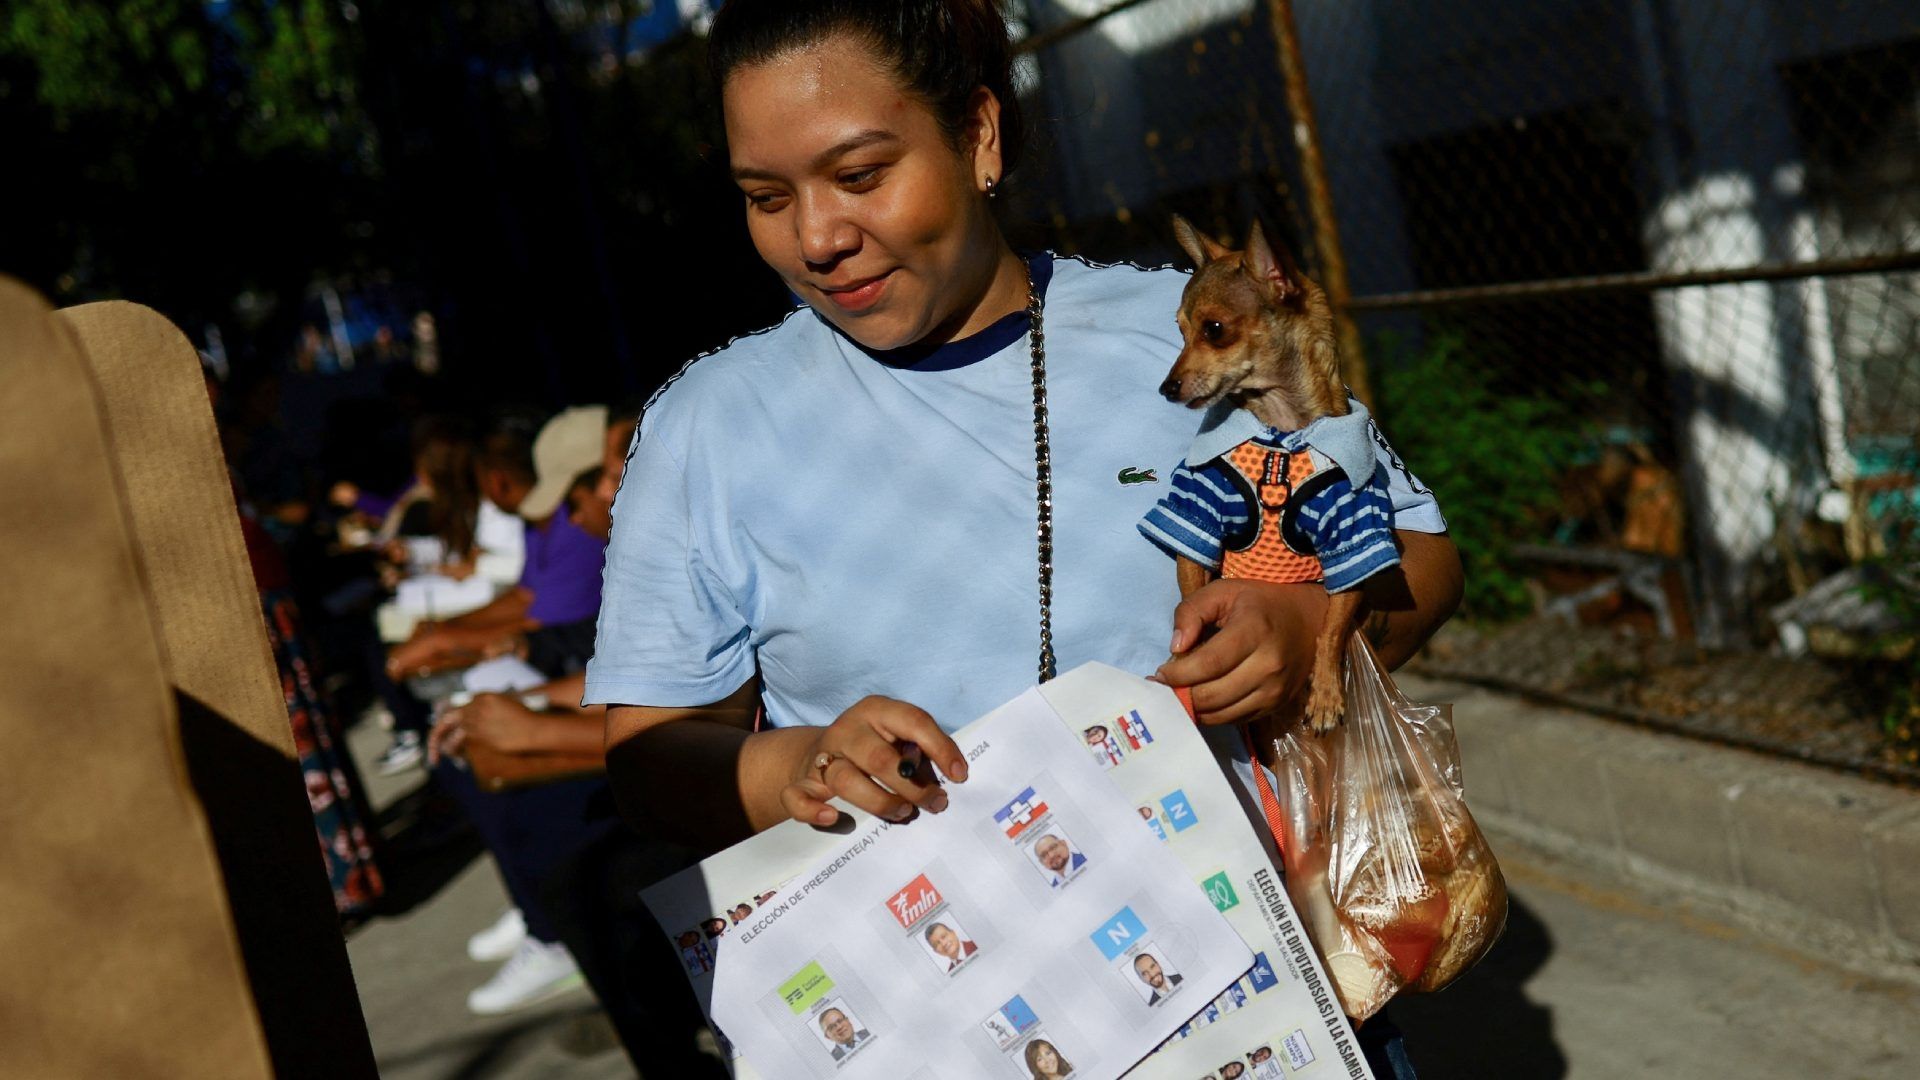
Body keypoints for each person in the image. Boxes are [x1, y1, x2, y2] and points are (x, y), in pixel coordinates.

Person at [588, 4, 1458, 1075]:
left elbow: (1422, 556)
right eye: (767, 197)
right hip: (942, 1026)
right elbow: (650, 757)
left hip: (1257, 999)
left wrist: (1303, 618)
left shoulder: (1185, 335)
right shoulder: (708, 430)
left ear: (980, 136)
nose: (815, 237)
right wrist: (797, 769)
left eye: (860, 175)